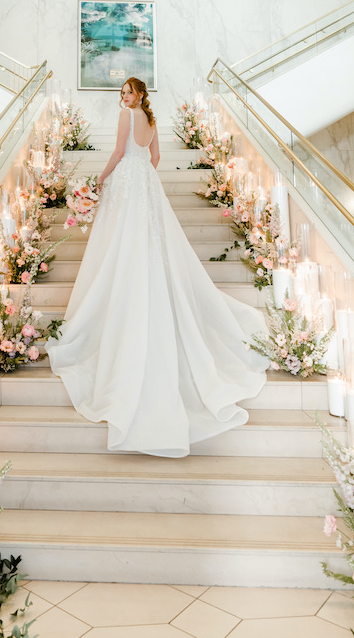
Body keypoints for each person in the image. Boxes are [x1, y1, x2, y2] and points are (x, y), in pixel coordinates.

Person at [45, 77, 268, 458]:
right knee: (146, 241)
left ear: (138, 94)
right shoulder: (150, 119)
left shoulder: (126, 116)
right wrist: (139, 172)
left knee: (122, 242)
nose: (124, 98)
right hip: (146, 182)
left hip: (128, 181)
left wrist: (98, 181)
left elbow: (117, 153)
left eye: (128, 93)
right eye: (122, 94)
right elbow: (157, 160)